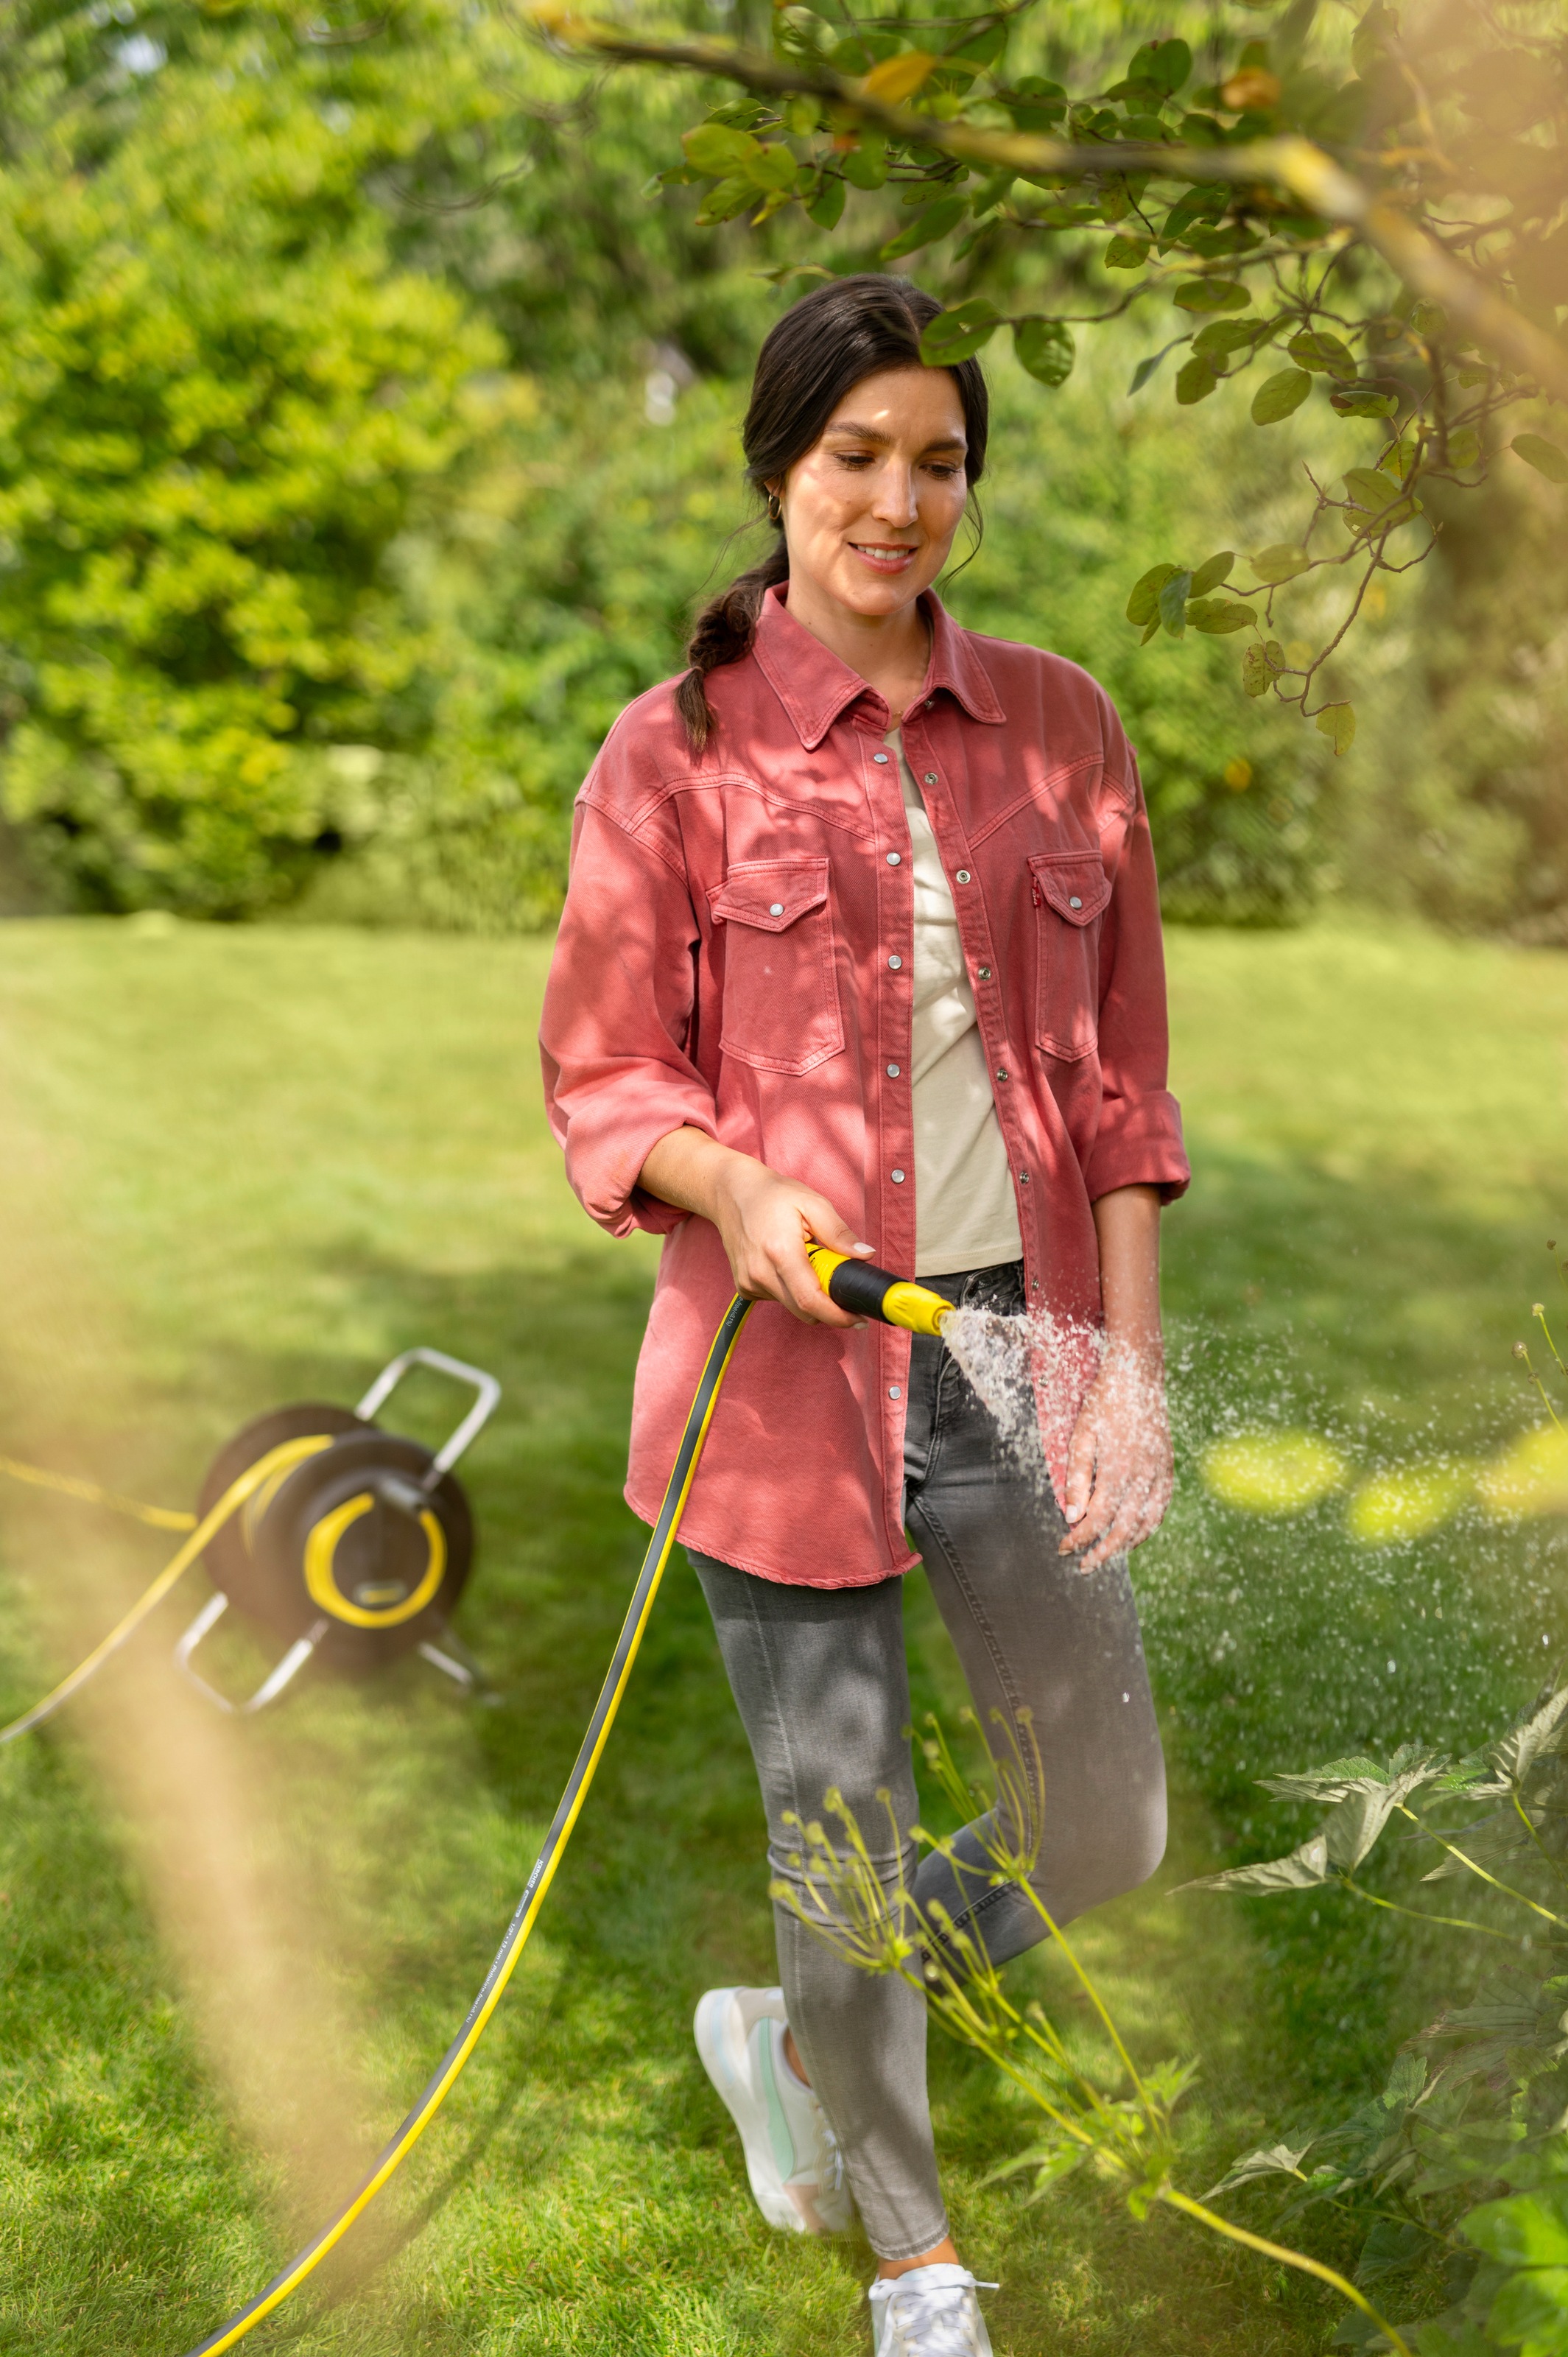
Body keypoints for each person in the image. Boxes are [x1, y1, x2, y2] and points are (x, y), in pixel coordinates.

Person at [540, 273, 1189, 2357]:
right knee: (838, 1823)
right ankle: (916, 2264)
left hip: (1014, 1342)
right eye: (854, 457)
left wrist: (1123, 1371)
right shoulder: (674, 755)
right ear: (777, 464)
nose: (897, 501)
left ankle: (814, 2038)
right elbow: (605, 1079)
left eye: (938, 462)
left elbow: (1121, 1090)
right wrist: (730, 1185)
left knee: (1104, 1818)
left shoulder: (1061, 730)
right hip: (791, 1376)